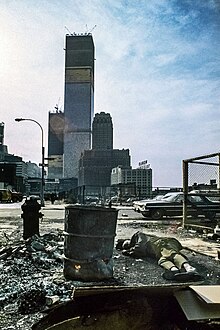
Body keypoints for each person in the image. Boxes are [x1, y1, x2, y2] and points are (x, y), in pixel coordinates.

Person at [116, 231, 201, 281]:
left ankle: (190, 268)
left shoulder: (138, 235)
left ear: (127, 240)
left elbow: (139, 248)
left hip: (163, 242)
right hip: (158, 249)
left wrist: (129, 252)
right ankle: (174, 270)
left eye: (126, 244)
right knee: (162, 260)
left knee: (170, 254)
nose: (127, 245)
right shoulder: (139, 246)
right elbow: (140, 252)